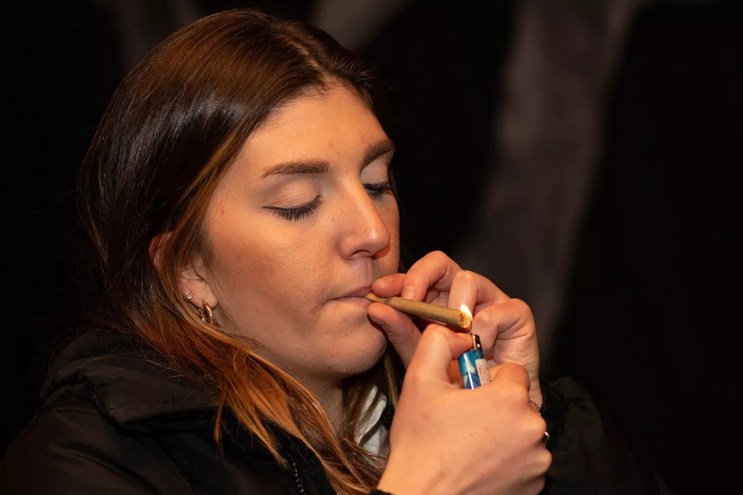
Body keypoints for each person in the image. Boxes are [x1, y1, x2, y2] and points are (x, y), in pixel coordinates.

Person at [1, 7, 675, 495]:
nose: (373, 232)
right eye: (298, 202)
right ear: (188, 269)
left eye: (377, 184)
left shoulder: (456, 411)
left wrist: (540, 429)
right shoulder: (82, 462)